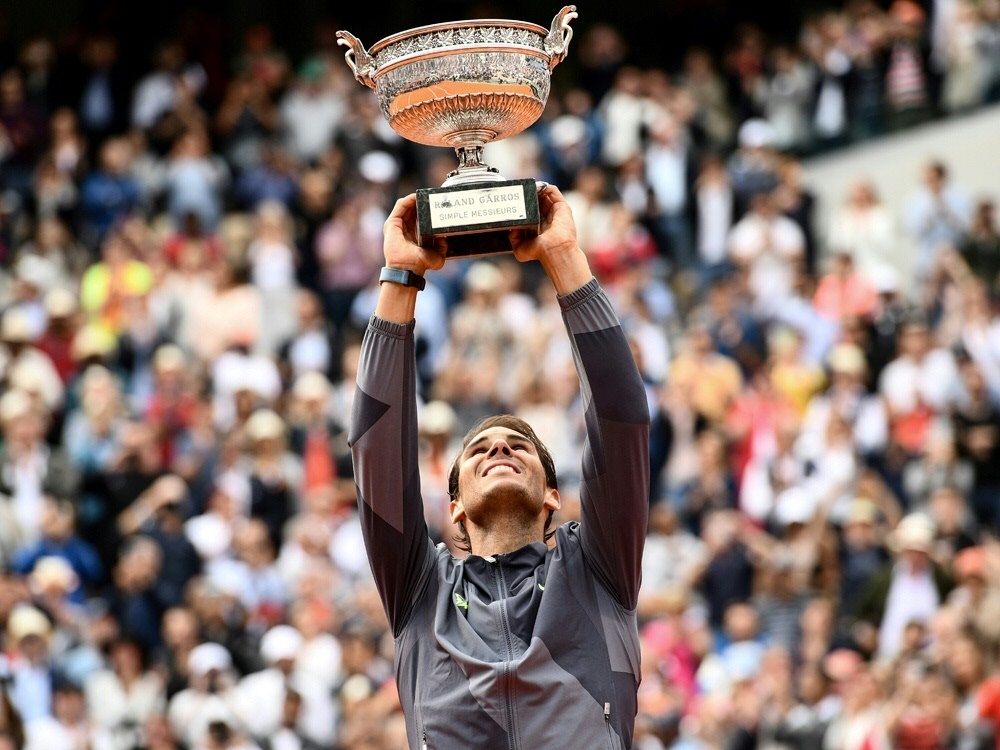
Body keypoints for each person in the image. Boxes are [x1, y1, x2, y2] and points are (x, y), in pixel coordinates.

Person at [348, 186, 650, 749]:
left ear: (553, 496)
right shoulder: (420, 590)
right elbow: (375, 449)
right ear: (455, 506)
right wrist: (400, 279)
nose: (499, 449)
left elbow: (621, 418)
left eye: (519, 445)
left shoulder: (598, 569)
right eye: (479, 450)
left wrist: (565, 259)